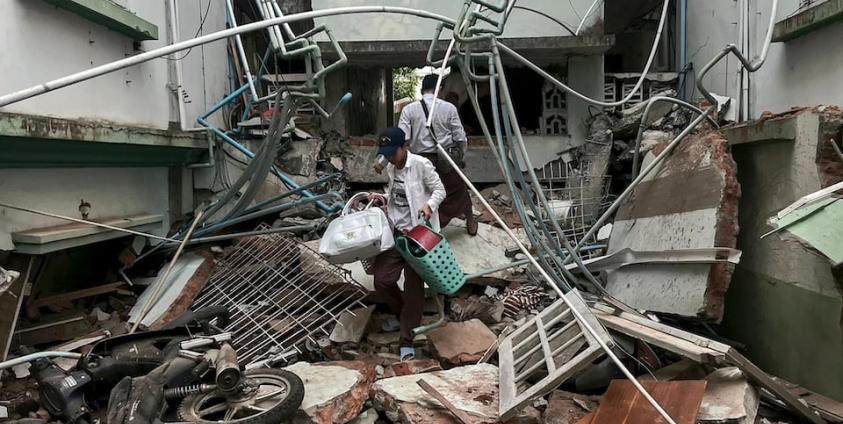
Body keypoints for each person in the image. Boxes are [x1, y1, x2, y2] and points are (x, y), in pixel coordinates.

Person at [372, 127, 446, 361]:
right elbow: (398, 197)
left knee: (414, 286)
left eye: (393, 152)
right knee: (382, 279)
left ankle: (407, 339)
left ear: (405, 147)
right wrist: (382, 199)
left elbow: (440, 190)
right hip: (398, 233)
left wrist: (429, 205)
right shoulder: (391, 167)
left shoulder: (421, 164)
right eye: (386, 154)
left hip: (419, 235)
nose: (390, 157)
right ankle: (403, 316)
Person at [376, 74, 478, 235]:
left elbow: (401, 139)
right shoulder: (449, 108)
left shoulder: (409, 109)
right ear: (440, 89)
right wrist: (460, 157)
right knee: (458, 190)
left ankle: (426, 229)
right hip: (446, 159)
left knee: (422, 194)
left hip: (420, 160)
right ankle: (470, 220)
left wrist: (382, 161)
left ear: (422, 90)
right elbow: (460, 138)